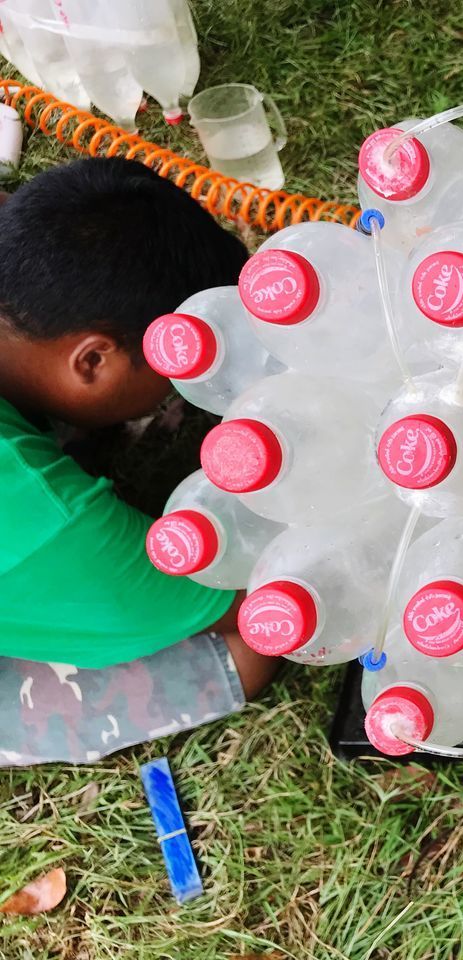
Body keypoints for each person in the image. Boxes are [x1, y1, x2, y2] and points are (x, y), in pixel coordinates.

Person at [0, 158, 277, 765]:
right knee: (249, 648)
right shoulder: (46, 519)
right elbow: (237, 602)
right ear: (94, 359)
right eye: (177, 369)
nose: (183, 387)